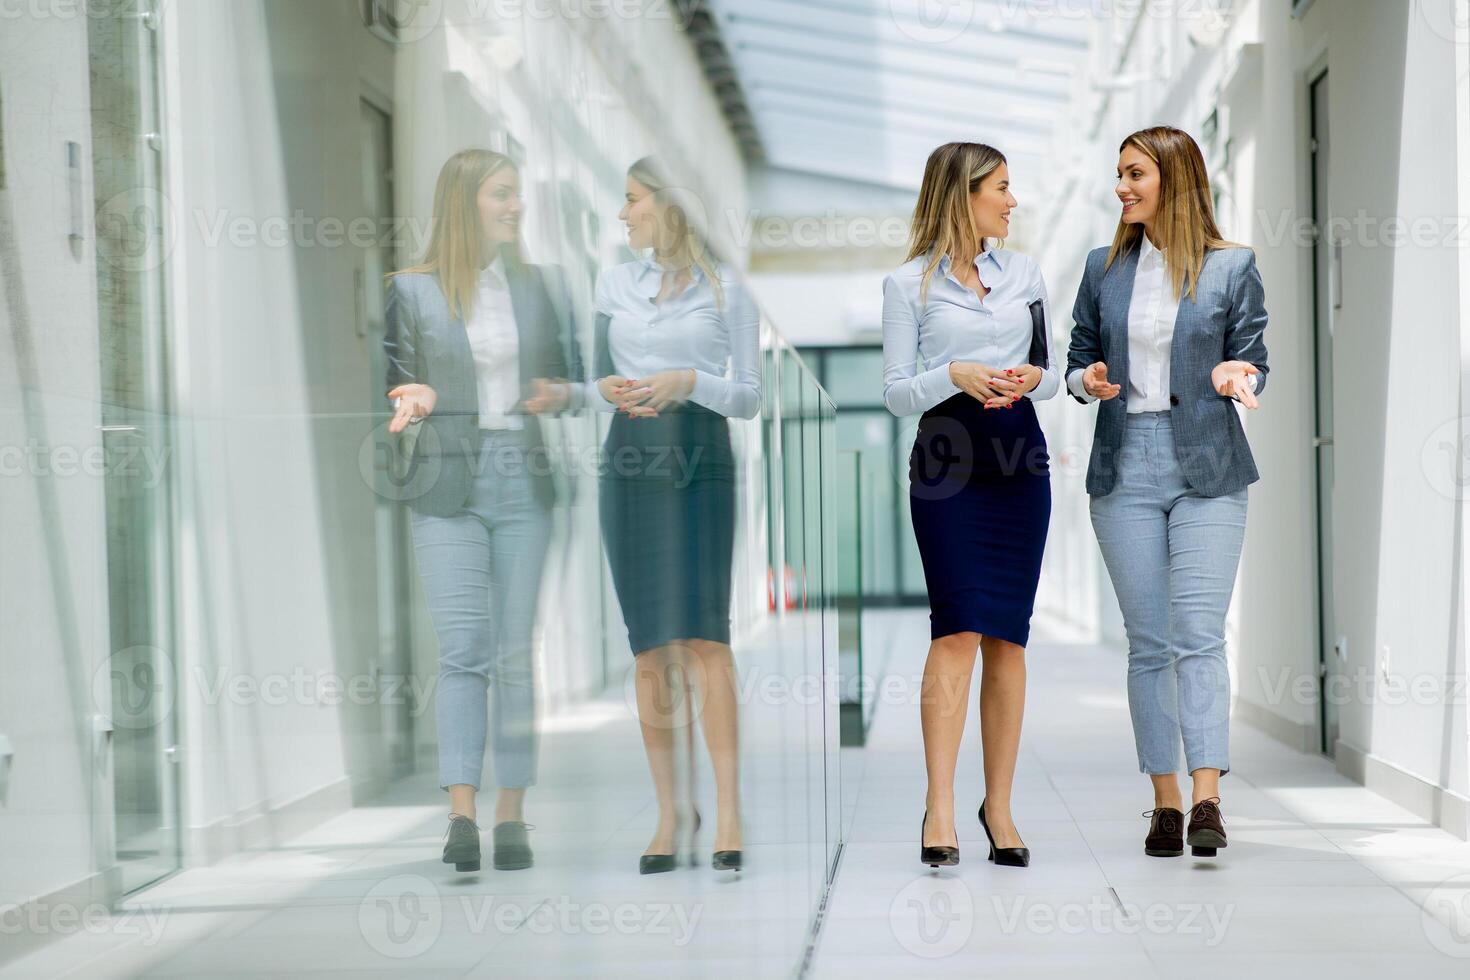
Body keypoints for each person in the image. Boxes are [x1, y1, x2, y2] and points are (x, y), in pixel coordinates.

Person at [1065, 125, 1269, 859]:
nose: (1121, 187)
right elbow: (1079, 354)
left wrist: (1235, 374)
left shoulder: (1231, 266)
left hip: (1208, 465)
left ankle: (1209, 797)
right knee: (1149, 642)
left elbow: (1253, 356)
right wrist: (1083, 381)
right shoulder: (1103, 268)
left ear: (1173, 178)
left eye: (1134, 174)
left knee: (1198, 635)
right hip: (1126, 466)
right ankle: (1165, 803)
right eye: (1118, 175)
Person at [384, 148, 577, 873]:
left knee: (514, 657)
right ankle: (460, 816)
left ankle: (512, 814)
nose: (515, 206)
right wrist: (416, 396)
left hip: (522, 481)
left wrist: (557, 391)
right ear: (465, 203)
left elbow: (565, 371)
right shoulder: (412, 291)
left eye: (517, 195)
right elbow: (397, 378)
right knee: (463, 651)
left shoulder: (535, 287)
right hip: (445, 484)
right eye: (502, 194)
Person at [881, 142, 1059, 870]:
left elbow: (1052, 374)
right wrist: (949, 372)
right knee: (956, 631)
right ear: (964, 195)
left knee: (1008, 640)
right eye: (1002, 189)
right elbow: (895, 392)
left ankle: (1001, 807)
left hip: (1020, 458)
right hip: (947, 463)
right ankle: (941, 807)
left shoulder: (1026, 273)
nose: (1013, 202)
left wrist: (1030, 376)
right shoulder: (906, 286)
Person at [588, 156, 760, 874]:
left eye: (632, 201)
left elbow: (749, 395)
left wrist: (691, 380)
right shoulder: (612, 282)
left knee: (703, 640)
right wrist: (607, 386)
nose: (623, 215)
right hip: (630, 459)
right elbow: (595, 372)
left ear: (668, 205)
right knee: (651, 645)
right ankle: (669, 813)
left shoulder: (729, 290)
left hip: (700, 458)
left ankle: (726, 810)